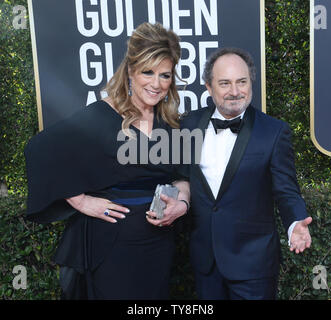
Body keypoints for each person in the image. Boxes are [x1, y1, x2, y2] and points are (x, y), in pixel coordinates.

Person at [24, 22, 190, 300]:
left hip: (159, 244)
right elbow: (39, 149)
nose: (156, 83)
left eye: (165, 75)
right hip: (110, 245)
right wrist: (80, 201)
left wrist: (182, 204)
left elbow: (182, 176)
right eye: (147, 72)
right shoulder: (100, 115)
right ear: (130, 72)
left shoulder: (171, 123)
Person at [180, 47, 312, 300]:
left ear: (251, 82)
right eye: (225, 83)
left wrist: (295, 222)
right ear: (208, 86)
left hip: (254, 263)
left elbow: (286, 190)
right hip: (205, 260)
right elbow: (181, 176)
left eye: (242, 82)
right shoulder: (188, 125)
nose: (235, 91)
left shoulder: (274, 132)